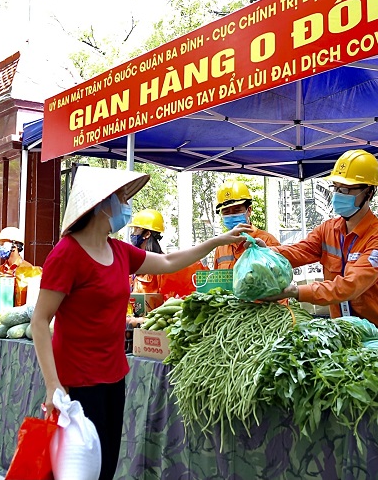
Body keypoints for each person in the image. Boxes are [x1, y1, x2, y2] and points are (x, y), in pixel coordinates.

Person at [30, 166, 249, 480]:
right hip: (77, 381)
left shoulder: (119, 251)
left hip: (113, 375)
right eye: (120, 199)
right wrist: (53, 386)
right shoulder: (66, 254)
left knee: (104, 464)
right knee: (75, 469)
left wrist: (216, 241)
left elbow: (171, 261)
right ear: (101, 205)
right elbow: (40, 322)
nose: (125, 206)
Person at [259, 150, 378, 336]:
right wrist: (265, 253)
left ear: (369, 192)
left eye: (346, 189)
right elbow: (299, 251)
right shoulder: (328, 230)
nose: (339, 195)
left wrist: (295, 291)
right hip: (346, 334)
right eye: (336, 188)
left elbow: (351, 285)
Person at [212, 179, 280, 269]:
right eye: (226, 212)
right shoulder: (221, 247)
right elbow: (217, 279)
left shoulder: (268, 240)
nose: (231, 215)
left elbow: (282, 274)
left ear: (249, 210)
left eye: (237, 210)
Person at [130, 208, 165, 294]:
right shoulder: (132, 259)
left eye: (136, 230)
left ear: (147, 234)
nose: (133, 234)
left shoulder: (160, 263)